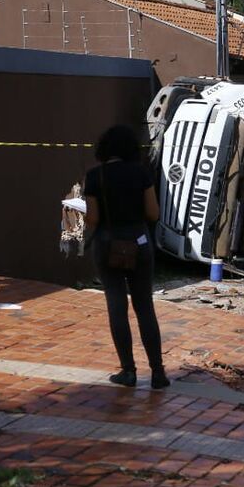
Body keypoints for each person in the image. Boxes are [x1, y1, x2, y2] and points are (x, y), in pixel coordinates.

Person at [84, 126, 169, 389]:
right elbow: (153, 213)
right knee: (145, 306)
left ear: (104, 149)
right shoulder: (142, 173)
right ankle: (158, 373)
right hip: (139, 242)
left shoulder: (95, 176)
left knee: (117, 306)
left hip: (108, 243)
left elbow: (94, 218)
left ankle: (128, 371)